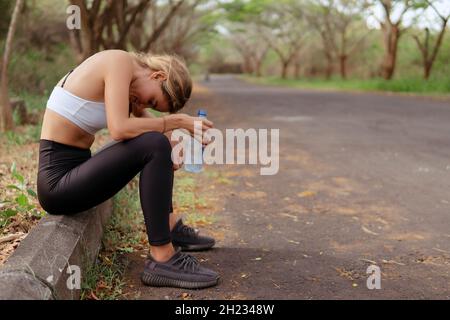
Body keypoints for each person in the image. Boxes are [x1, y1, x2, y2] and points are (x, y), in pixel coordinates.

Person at [37, 49, 219, 289]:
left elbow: (145, 124)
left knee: (158, 143)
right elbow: (120, 129)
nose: (143, 104)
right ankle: (162, 258)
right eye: (152, 101)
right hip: (57, 184)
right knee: (154, 144)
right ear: (158, 76)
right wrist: (176, 122)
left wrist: (171, 137)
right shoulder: (118, 62)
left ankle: (170, 227)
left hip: (77, 168)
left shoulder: (131, 76)